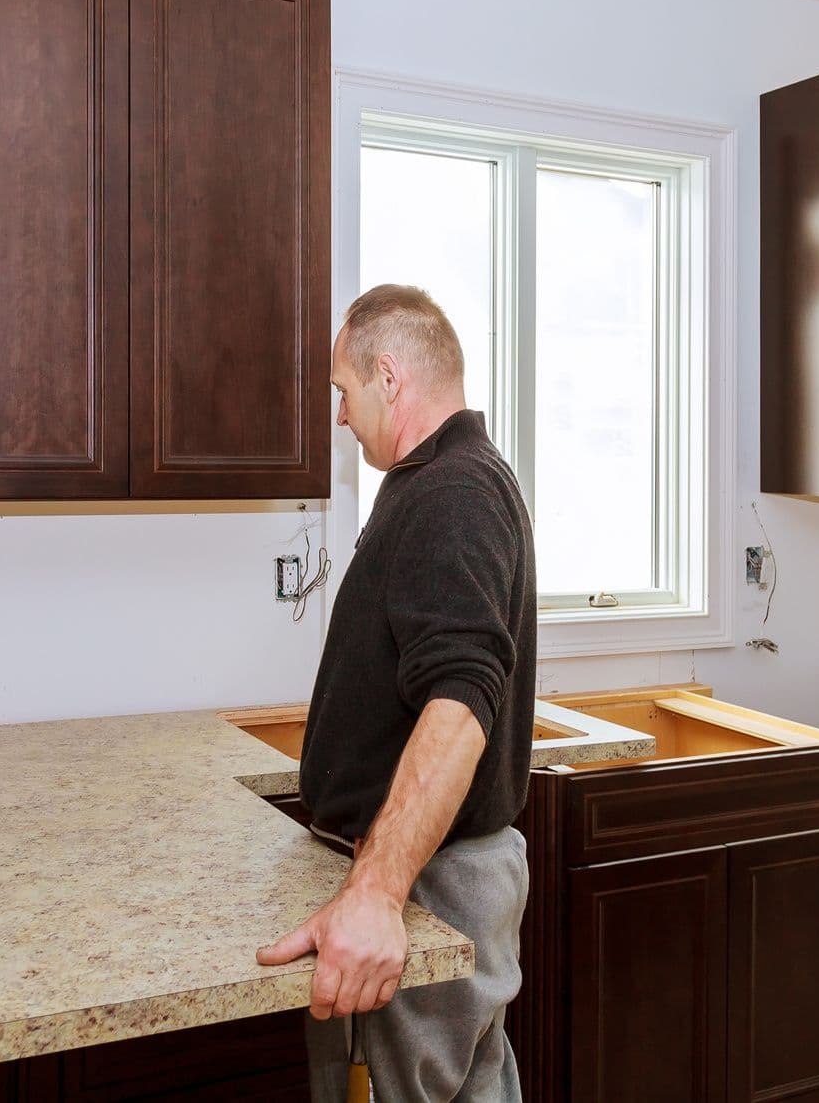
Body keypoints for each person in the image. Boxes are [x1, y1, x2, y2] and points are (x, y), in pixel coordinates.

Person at [256, 284, 537, 1102]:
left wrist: (377, 893)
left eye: (343, 391)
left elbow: (459, 703)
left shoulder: (453, 493)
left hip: (432, 877)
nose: (340, 416)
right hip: (430, 867)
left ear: (389, 375)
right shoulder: (436, 482)